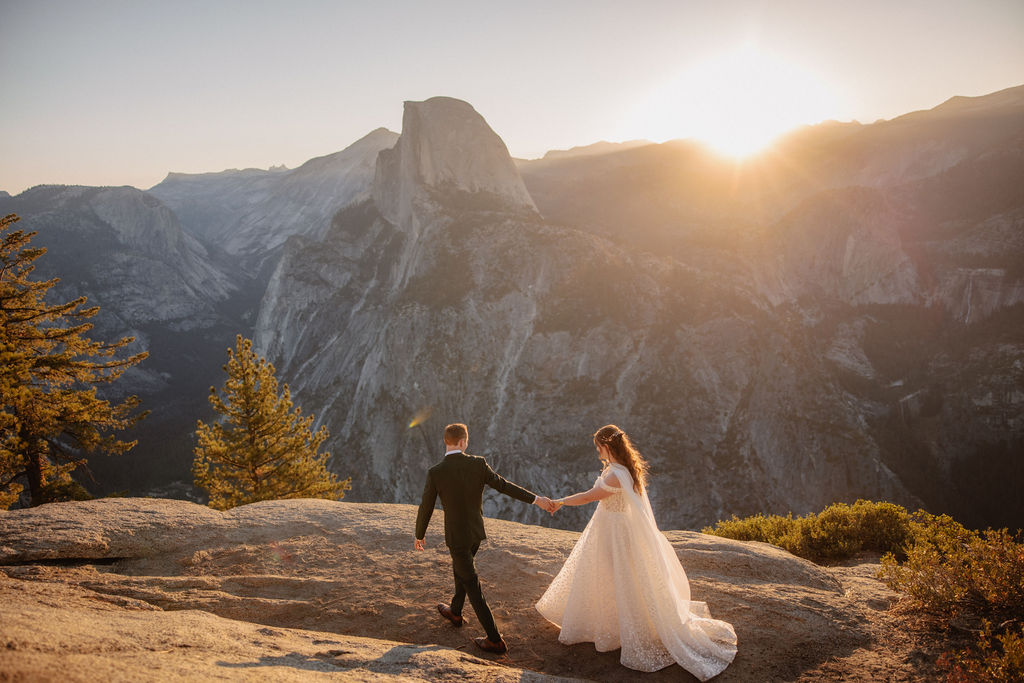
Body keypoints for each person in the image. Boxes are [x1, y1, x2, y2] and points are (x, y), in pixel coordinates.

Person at [536, 425, 737, 679]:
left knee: (613, 577)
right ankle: (617, 625)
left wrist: (560, 502)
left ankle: (617, 628)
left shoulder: (613, 476)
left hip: (614, 533)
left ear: (606, 447)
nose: (598, 453)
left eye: (599, 448)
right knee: (618, 579)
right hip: (615, 528)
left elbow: (589, 497)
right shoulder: (625, 468)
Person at [415, 422, 558, 654]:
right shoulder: (478, 464)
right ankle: (455, 611)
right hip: (474, 534)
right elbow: (504, 486)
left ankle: (495, 639)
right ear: (463, 442)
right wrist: (536, 499)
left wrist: (419, 534)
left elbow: (426, 506)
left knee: (471, 583)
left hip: (456, 537)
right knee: (461, 571)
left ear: (446, 442)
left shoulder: (436, 472)